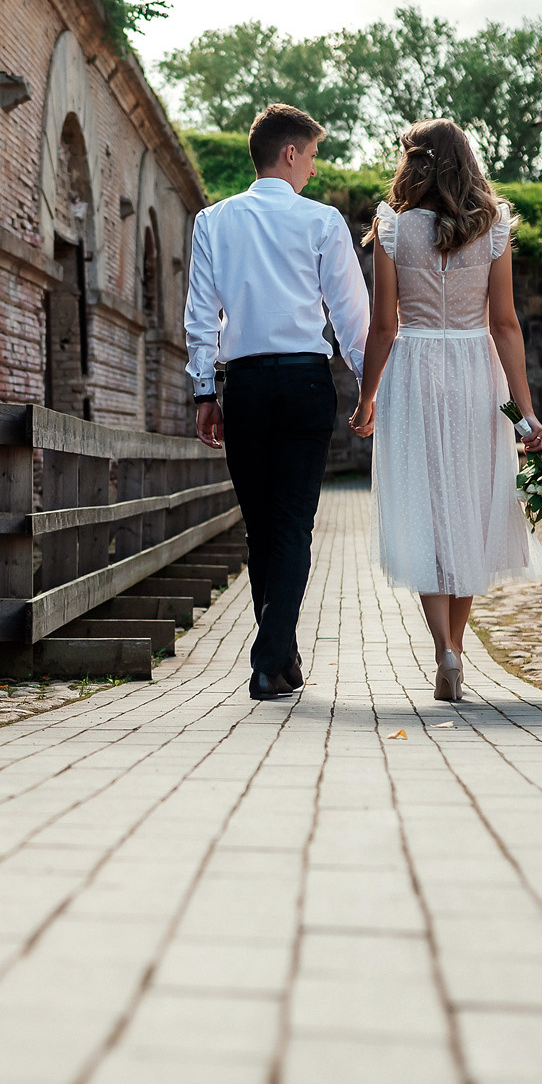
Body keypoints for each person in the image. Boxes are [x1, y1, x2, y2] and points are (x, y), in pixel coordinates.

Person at [349, 119, 542, 701]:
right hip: (474, 372)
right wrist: (525, 413)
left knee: (425, 510)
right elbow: (506, 325)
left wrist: (367, 397)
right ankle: (457, 651)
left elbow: (384, 326)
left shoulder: (392, 229)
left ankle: (441, 646)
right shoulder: (492, 230)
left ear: (415, 161)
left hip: (413, 372)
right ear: (467, 160)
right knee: (467, 508)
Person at [184, 104, 371, 702]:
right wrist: (368, 391)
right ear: (289, 153)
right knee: (289, 522)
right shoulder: (322, 223)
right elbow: (351, 317)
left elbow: (200, 317)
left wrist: (204, 390)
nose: (314, 169)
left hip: (244, 386)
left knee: (262, 526)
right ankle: (272, 660)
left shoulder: (213, 221)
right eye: (312, 155)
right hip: (304, 383)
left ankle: (277, 653)